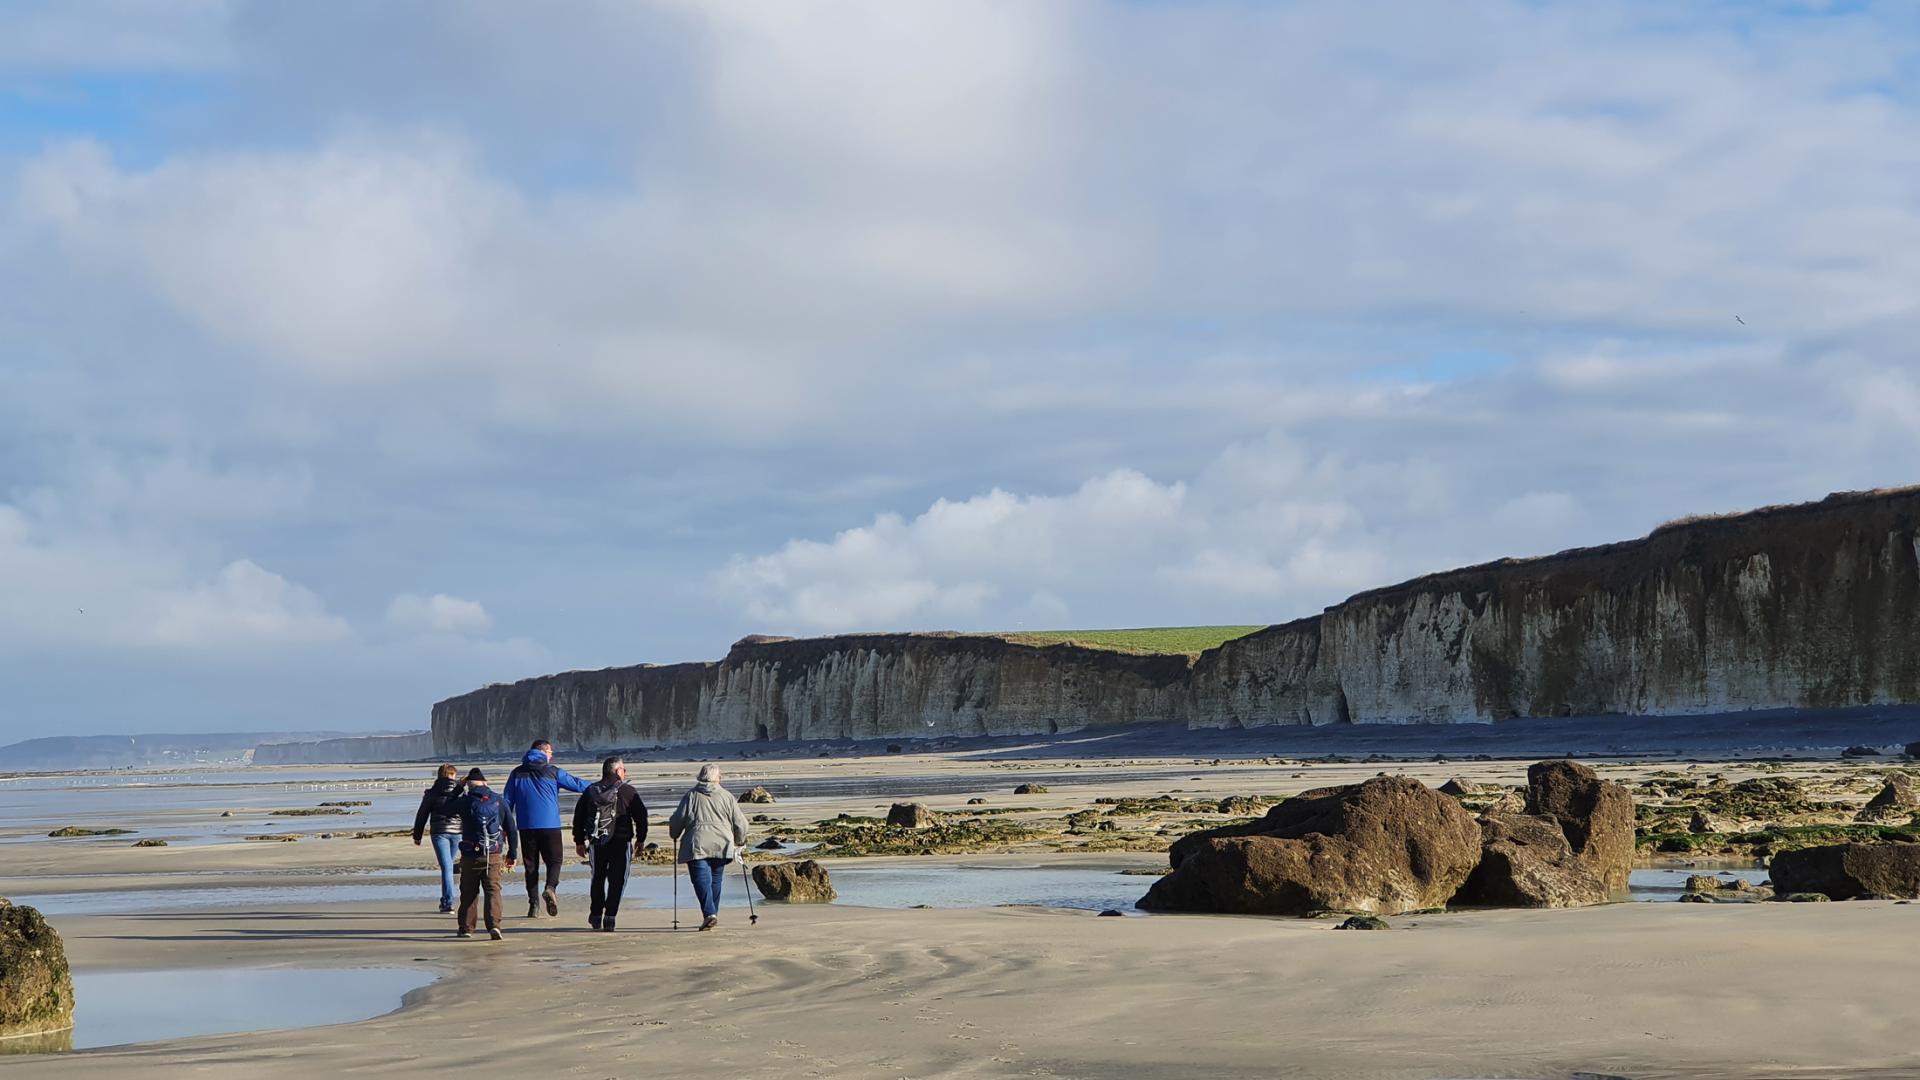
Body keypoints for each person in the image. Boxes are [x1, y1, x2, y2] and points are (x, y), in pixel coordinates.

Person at [502, 738, 590, 919]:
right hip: (550, 825)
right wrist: (603, 785)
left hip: (526, 827)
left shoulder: (517, 773)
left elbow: (507, 802)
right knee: (555, 861)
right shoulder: (552, 771)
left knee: (531, 866)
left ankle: (533, 904)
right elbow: (578, 785)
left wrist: (505, 826)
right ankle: (550, 888)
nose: (552, 755)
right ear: (543, 752)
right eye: (550, 752)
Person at [570, 755, 648, 932]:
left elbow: (579, 817)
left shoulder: (591, 790)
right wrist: (641, 840)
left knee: (597, 878)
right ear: (618, 771)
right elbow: (641, 817)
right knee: (618, 880)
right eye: (624, 769)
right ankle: (610, 916)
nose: (625, 772)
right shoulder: (628, 791)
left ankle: (596, 914)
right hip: (621, 842)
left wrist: (579, 841)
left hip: (597, 842)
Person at [668, 764, 749, 931]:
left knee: (701, 879)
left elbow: (677, 820)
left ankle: (710, 914)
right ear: (717, 778)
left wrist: (674, 834)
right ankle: (712, 914)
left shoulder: (691, 796)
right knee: (715, 879)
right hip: (722, 843)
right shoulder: (727, 796)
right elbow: (740, 823)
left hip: (697, 843)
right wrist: (739, 841)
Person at [452, 767, 518, 941]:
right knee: (493, 890)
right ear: (485, 783)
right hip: (493, 853)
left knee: (468, 891)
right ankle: (494, 926)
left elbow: (446, 807)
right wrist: (512, 853)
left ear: (469, 785)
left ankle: (466, 928)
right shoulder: (498, 800)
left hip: (470, 853)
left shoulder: (464, 801)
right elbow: (511, 828)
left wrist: (458, 788)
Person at [411, 763, 465, 913]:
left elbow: (422, 814)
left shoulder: (432, 792)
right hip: (457, 833)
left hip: (439, 832)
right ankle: (446, 900)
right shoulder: (460, 792)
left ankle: (447, 902)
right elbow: (466, 810)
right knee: (448, 865)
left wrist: (417, 835)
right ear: (451, 775)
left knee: (447, 867)